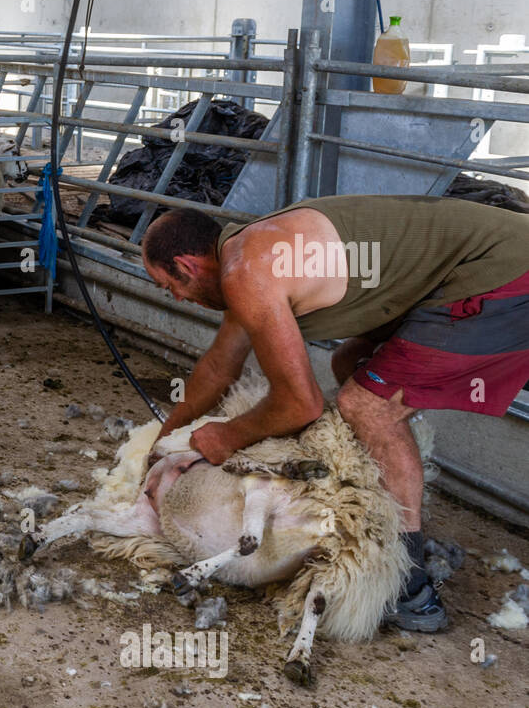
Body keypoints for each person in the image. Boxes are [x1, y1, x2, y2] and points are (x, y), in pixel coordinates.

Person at [140, 195, 529, 632]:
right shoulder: (244, 257)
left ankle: (410, 588)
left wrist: (227, 436)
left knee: (367, 406)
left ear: (187, 266)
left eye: (166, 285)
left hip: (500, 274)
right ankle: (383, 505)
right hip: (468, 270)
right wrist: (165, 438)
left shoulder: (247, 272)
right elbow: (219, 366)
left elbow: (300, 405)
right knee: (350, 367)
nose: (174, 296)